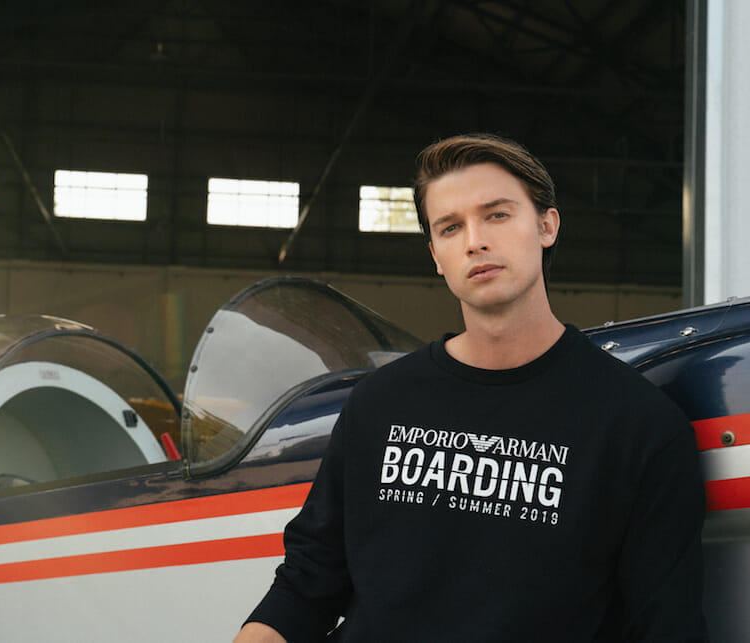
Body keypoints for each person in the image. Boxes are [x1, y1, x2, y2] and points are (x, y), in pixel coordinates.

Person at [235, 133, 708, 642]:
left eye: (497, 215)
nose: (474, 241)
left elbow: (666, 628)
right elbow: (307, 583)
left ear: (547, 226)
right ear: (436, 255)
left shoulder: (639, 426)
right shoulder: (380, 401)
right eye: (451, 227)